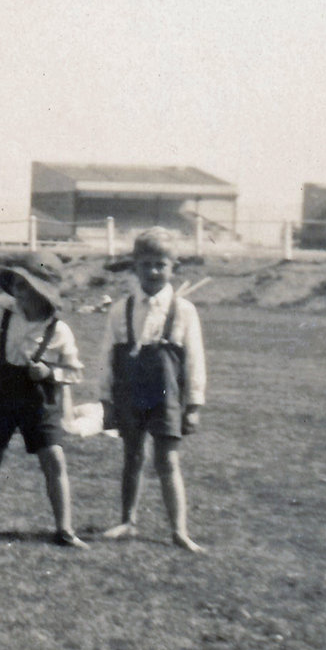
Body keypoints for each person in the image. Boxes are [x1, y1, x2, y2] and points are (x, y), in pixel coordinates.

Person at [0, 253, 87, 547]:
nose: (20, 290)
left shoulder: (59, 330)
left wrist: (50, 372)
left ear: (44, 292)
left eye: (28, 285)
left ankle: (64, 528)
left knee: (53, 458)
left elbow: (75, 372)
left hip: (38, 399)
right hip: (0, 395)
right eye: (16, 283)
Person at [98, 227, 207, 552]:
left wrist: (195, 404)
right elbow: (107, 355)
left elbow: (195, 360)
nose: (154, 271)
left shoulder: (184, 310)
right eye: (146, 264)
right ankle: (127, 520)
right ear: (135, 266)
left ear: (173, 266)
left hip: (167, 395)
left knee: (167, 460)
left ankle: (179, 529)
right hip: (130, 393)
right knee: (132, 456)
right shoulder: (122, 309)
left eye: (161, 264)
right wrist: (106, 399)